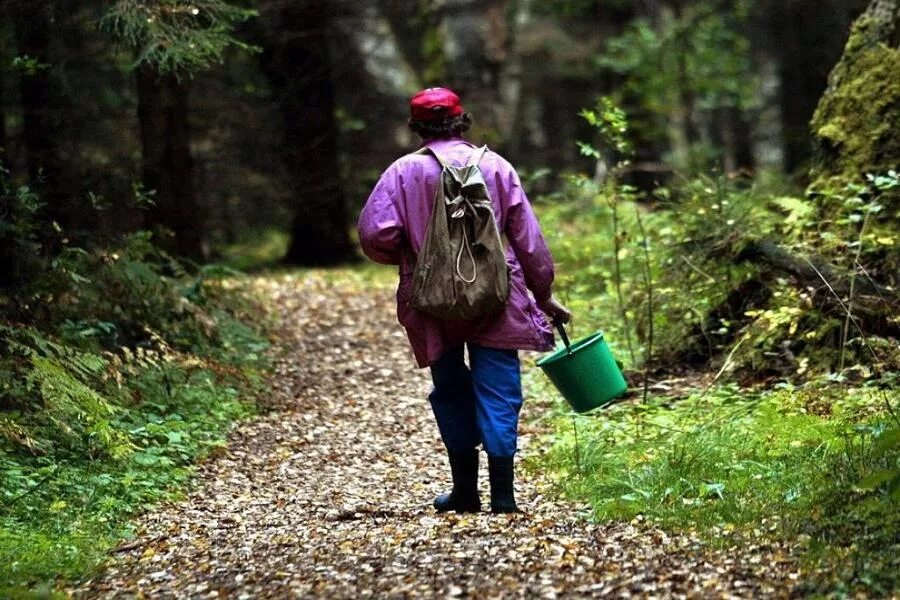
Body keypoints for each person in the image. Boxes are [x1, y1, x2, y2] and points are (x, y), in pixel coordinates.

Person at [357, 87, 570, 514]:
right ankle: (504, 496)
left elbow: (374, 235)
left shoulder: (402, 173)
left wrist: (411, 253)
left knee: (451, 387)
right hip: (497, 293)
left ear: (416, 126)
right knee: (500, 388)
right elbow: (529, 242)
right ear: (462, 121)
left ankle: (465, 492)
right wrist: (543, 295)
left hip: (431, 297)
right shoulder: (495, 166)